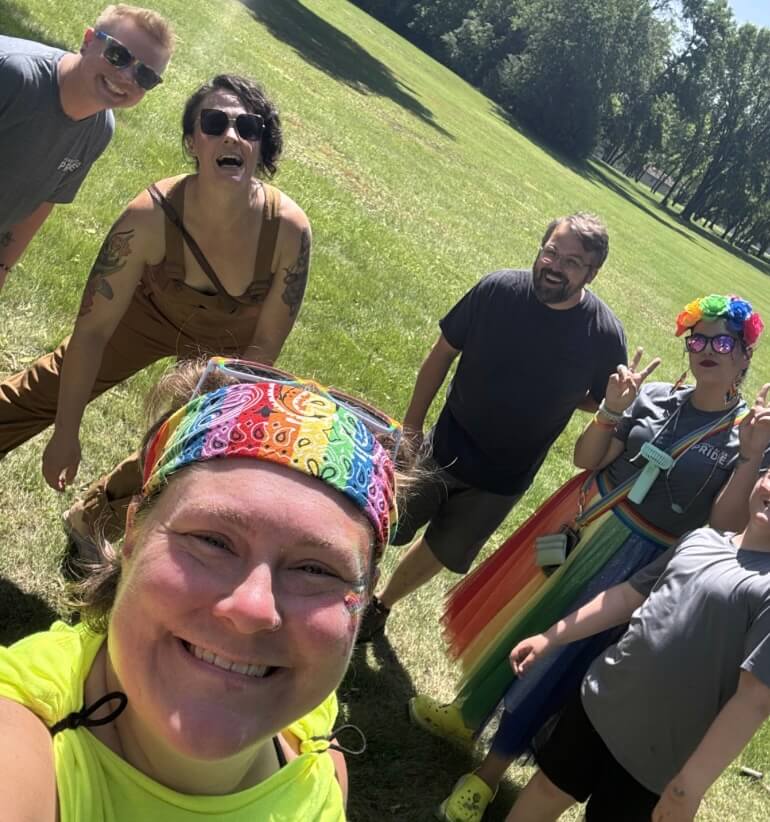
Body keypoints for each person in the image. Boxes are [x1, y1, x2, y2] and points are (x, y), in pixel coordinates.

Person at [414, 294, 770, 822]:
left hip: (650, 564)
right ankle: (468, 715)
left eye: (723, 341)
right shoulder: (654, 397)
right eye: (698, 338)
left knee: (566, 664)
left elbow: (725, 525)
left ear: (744, 357)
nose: (707, 350)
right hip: (587, 531)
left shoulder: (754, 432)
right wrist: (612, 410)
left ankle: (488, 776)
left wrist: (747, 456)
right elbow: (588, 460)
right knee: (530, 627)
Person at [0, 357, 402, 820]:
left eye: (316, 571)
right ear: (133, 534)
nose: (253, 608)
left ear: (364, 595)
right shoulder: (30, 747)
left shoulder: (308, 730)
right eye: (212, 541)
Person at [0, 73, 312, 543]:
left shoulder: (288, 230)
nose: (232, 134)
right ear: (192, 140)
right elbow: (92, 332)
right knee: (46, 390)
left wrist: (206, 414)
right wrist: (66, 432)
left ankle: (99, 515)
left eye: (248, 127)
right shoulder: (149, 215)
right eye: (215, 123)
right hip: (149, 311)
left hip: (231, 338)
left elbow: (263, 347)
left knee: (195, 439)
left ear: (260, 144)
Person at [357, 212, 627, 642]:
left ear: (591, 273)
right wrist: (411, 428)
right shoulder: (498, 290)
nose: (554, 266)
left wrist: (568, 395)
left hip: (502, 479)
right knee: (382, 520)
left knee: (442, 549)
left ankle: (381, 605)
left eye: (572, 262)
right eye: (551, 251)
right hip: (442, 446)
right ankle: (349, 593)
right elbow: (443, 351)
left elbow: (603, 396)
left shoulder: (604, 335)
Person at [506, 467, 770, 822]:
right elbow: (627, 597)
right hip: (602, 701)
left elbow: (754, 699)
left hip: (660, 756)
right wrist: (551, 637)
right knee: (547, 788)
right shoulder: (701, 539)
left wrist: (688, 785)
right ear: (761, 477)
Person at [0, 4, 174, 290]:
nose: (127, 77)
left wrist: (3, 267)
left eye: (145, 76)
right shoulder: (14, 76)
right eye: (118, 55)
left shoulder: (99, 130)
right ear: (88, 40)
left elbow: (45, 199)